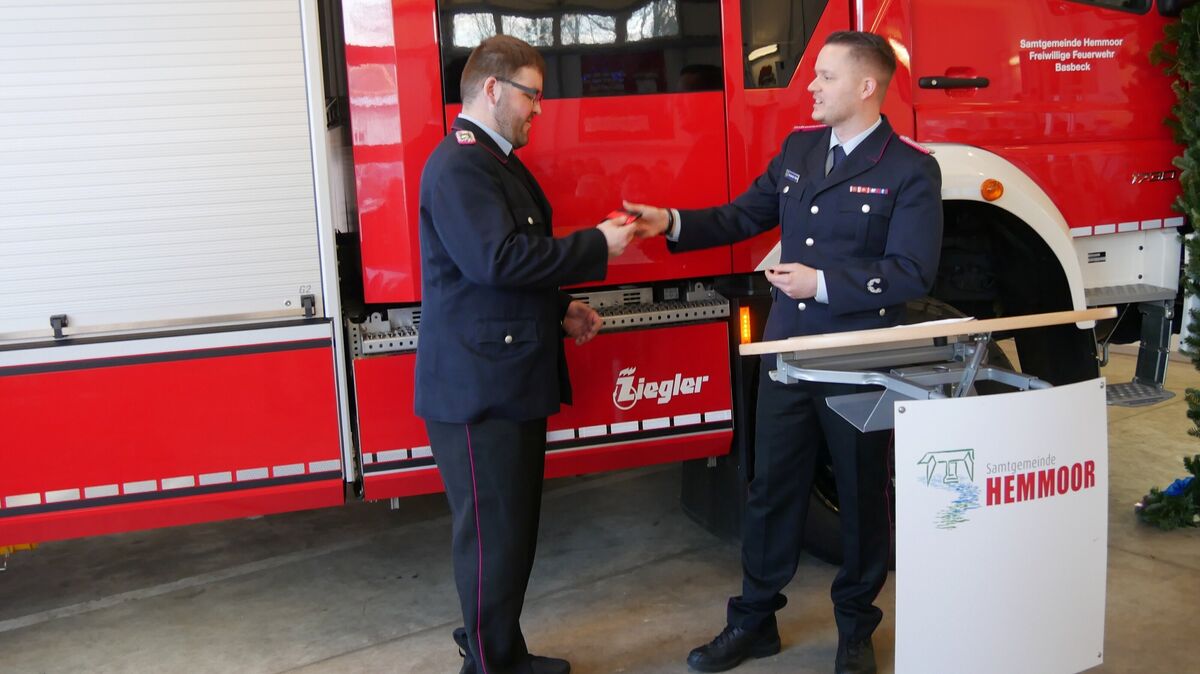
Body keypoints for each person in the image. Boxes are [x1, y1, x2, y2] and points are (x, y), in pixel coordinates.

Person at [626, 31, 943, 674]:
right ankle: (754, 620)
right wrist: (673, 222)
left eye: (825, 76)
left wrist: (822, 283)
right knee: (771, 490)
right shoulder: (801, 148)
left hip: (857, 359)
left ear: (866, 86)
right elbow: (744, 215)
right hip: (788, 352)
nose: (811, 87)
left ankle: (855, 628)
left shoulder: (910, 168)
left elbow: (912, 272)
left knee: (860, 496)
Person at [415, 35, 635, 674]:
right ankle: (493, 665)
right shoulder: (462, 165)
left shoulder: (493, 161)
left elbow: (496, 275)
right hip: (480, 389)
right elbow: (496, 260)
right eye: (532, 95)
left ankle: (498, 651)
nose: (539, 108)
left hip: (498, 378)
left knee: (507, 535)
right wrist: (596, 244)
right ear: (492, 89)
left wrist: (557, 310)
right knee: (493, 539)